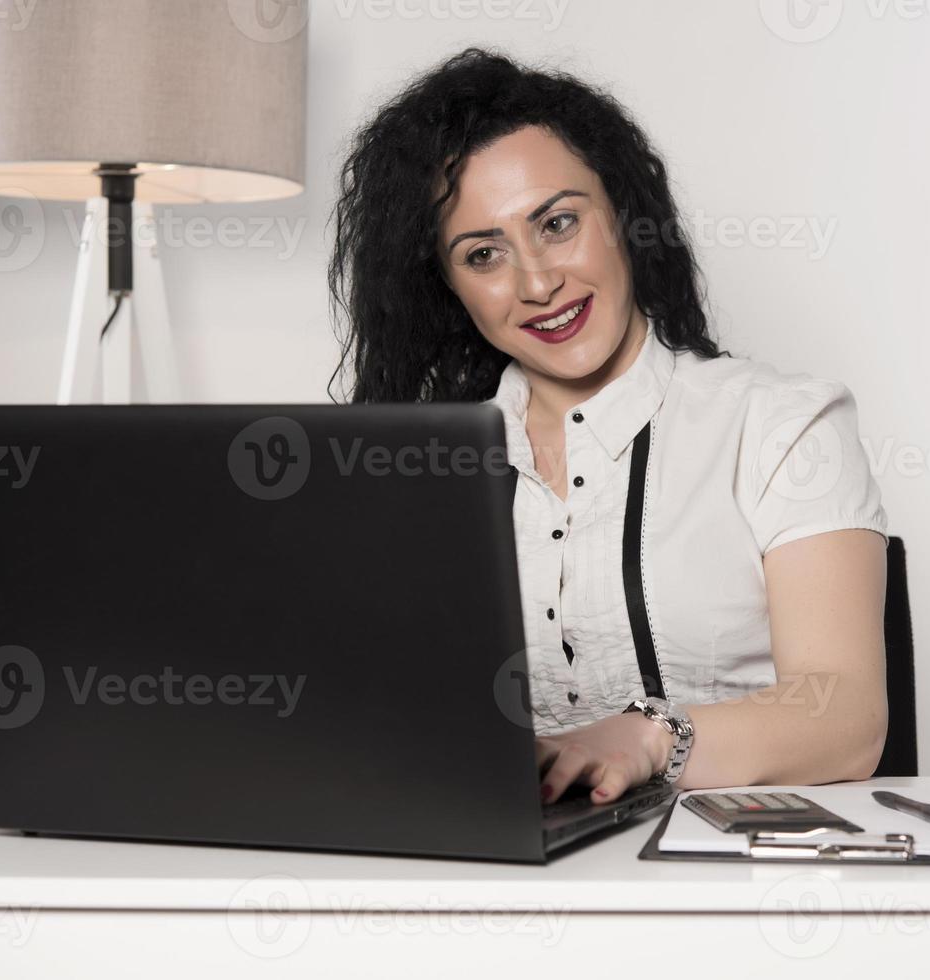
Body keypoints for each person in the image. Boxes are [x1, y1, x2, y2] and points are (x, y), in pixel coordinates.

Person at [329, 48, 889, 807]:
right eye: (484, 254)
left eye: (557, 223)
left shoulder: (781, 423)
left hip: (745, 888)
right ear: (447, 286)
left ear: (624, 218)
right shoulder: (417, 466)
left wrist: (650, 734)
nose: (536, 283)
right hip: (503, 879)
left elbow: (848, 720)